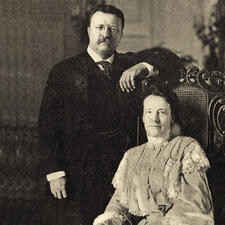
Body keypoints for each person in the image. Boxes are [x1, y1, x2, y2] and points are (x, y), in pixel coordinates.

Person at [38, 4, 162, 225]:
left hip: (121, 167)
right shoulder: (64, 71)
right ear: (88, 31)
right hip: (77, 170)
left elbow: (169, 61)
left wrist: (141, 66)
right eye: (100, 27)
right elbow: (47, 125)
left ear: (121, 33)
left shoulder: (128, 64)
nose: (106, 34)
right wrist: (55, 172)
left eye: (113, 29)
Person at [93, 84, 214, 225]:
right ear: (143, 118)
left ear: (172, 117)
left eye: (161, 112)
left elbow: (196, 200)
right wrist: (110, 219)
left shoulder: (187, 147)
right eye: (149, 112)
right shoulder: (131, 155)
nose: (154, 119)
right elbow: (120, 200)